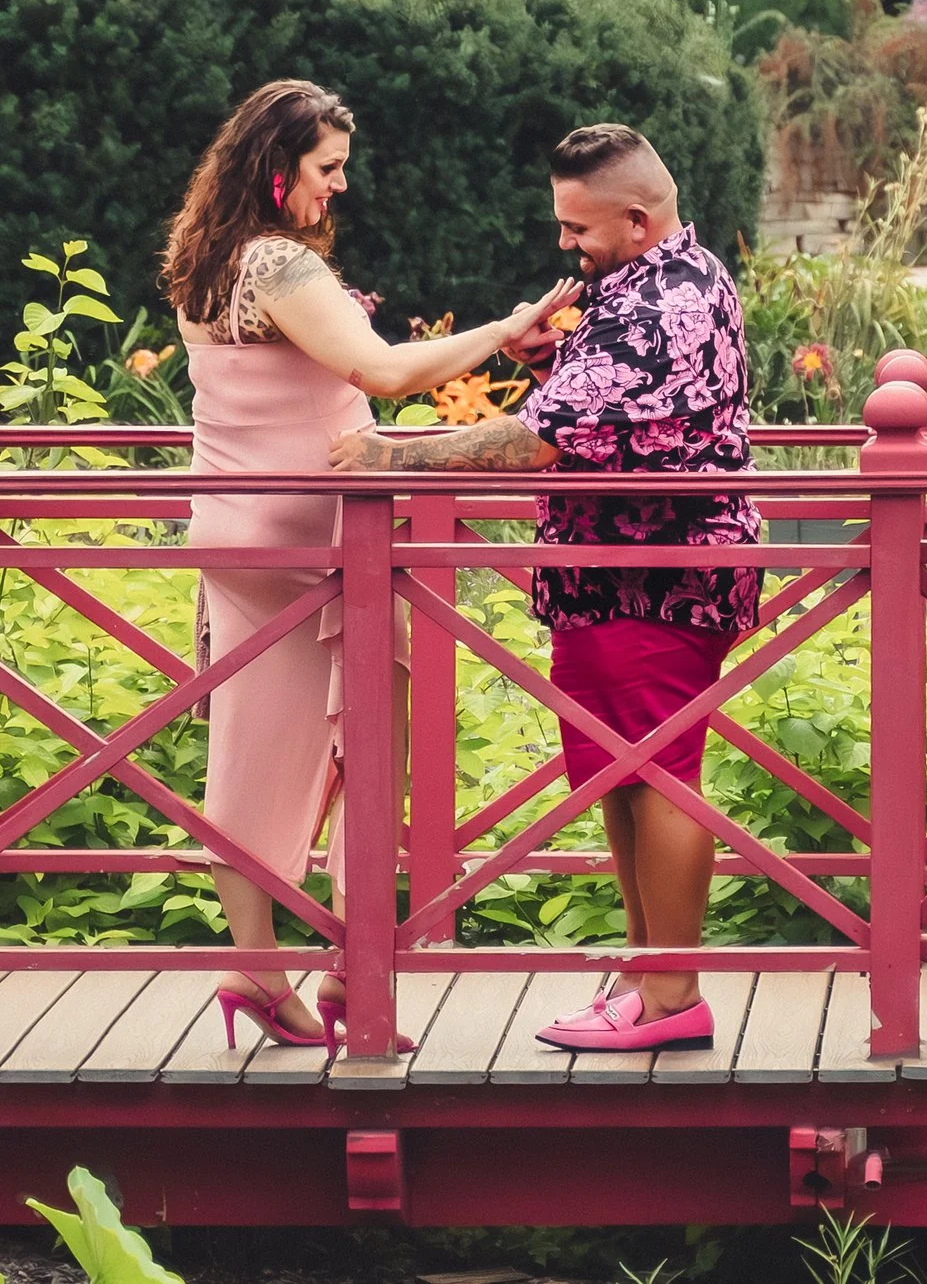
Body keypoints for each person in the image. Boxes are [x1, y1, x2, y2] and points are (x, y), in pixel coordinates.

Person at [166, 79, 579, 1051]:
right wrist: (501, 327)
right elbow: (383, 372)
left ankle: (258, 970)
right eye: (326, 169)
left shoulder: (207, 260)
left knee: (250, 751)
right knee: (370, 746)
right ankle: (359, 978)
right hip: (321, 545)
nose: (338, 188)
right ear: (276, 172)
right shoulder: (273, 262)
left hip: (233, 529)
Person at [330, 122, 758, 1054]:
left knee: (658, 772)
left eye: (578, 228)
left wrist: (389, 457)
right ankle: (644, 982)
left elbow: (536, 441)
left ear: (638, 221)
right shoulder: (652, 281)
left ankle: (672, 993)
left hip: (657, 576)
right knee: (620, 773)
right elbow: (611, 413)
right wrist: (550, 364)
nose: (565, 245)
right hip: (610, 574)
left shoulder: (660, 305)